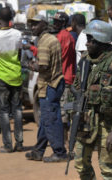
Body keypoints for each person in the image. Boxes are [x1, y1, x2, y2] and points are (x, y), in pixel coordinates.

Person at [73, 20, 112, 180]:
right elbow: (77, 89)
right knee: (80, 163)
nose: (86, 44)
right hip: (85, 121)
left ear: (100, 41)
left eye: (90, 40)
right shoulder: (85, 61)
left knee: (107, 169)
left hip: (107, 124)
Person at [25, 15, 67, 162]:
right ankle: (38, 150)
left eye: (36, 24)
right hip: (55, 83)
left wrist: (31, 65)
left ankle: (59, 152)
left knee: (51, 120)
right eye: (31, 24)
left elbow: (42, 66)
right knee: (45, 119)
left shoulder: (43, 42)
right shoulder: (51, 39)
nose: (32, 27)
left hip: (49, 85)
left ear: (44, 24)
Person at [0, 7, 23, 153]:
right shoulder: (18, 34)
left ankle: (7, 145)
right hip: (16, 75)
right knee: (17, 109)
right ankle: (19, 143)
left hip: (2, 77)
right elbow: (20, 52)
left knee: (3, 111)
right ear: (11, 19)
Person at [53, 12, 76, 148]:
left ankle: (66, 141)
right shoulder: (70, 36)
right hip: (69, 78)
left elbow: (58, 58)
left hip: (64, 79)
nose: (54, 24)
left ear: (62, 23)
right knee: (68, 111)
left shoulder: (62, 37)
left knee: (64, 113)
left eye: (56, 22)